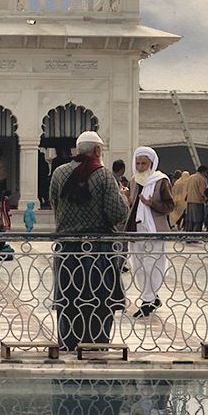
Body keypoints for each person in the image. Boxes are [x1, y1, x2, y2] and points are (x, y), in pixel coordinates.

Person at [48, 131, 126, 349]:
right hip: (99, 251)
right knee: (100, 302)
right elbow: (118, 214)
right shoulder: (103, 175)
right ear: (98, 150)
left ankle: (69, 345)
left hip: (67, 251)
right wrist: (123, 196)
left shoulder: (59, 173)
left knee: (69, 302)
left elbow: (55, 205)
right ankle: (96, 347)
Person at [125, 146, 173, 318]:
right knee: (138, 266)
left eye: (144, 163)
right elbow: (133, 205)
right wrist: (128, 199)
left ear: (152, 163)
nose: (140, 167)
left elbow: (169, 206)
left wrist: (151, 203)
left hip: (154, 230)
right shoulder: (133, 180)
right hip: (136, 230)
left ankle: (147, 301)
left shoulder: (161, 181)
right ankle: (152, 297)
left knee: (151, 266)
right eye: (138, 163)